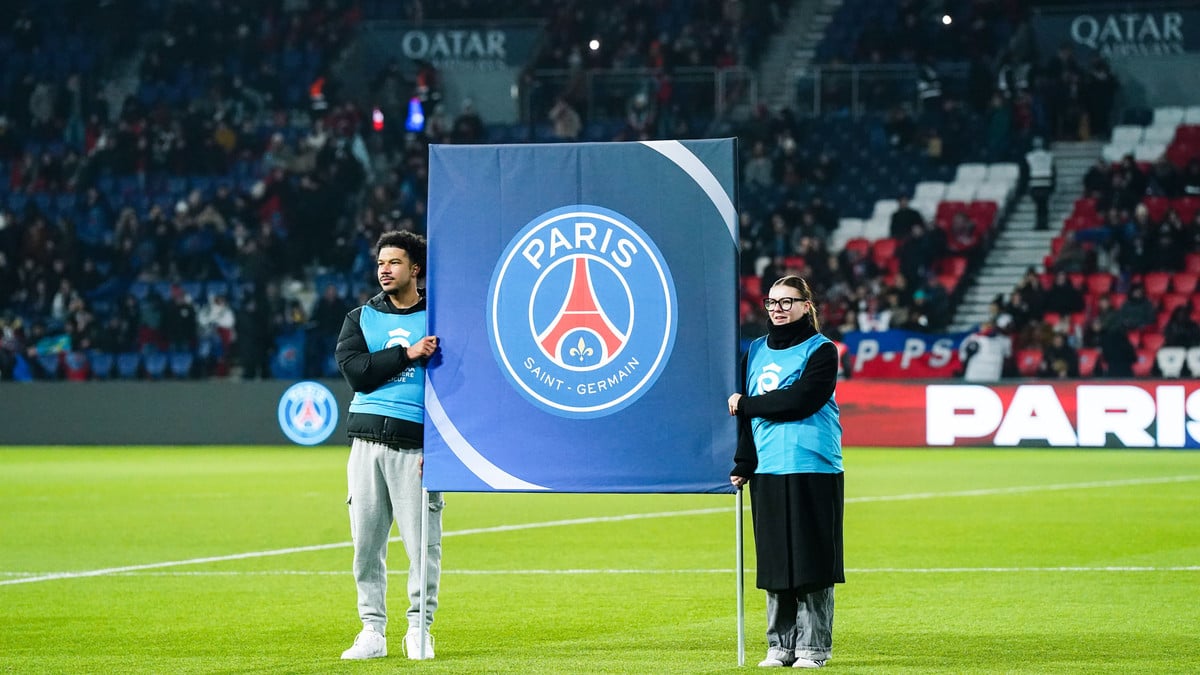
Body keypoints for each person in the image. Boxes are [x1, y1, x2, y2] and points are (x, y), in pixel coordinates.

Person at [336, 230, 443, 661]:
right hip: (365, 444)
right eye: (381, 262)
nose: (385, 269)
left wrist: (440, 451)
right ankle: (372, 631)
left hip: (416, 449)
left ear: (415, 269)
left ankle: (419, 629)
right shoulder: (360, 317)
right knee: (366, 543)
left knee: (422, 545)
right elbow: (356, 372)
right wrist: (407, 354)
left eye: (395, 262)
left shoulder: (440, 317)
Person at [727, 276, 844, 669]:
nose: (778, 309)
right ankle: (780, 647)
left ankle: (813, 649)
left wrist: (748, 404)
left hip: (812, 463)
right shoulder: (755, 350)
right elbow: (741, 418)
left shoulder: (822, 350)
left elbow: (802, 400)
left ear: (806, 305)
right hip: (769, 467)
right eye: (772, 302)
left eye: (787, 301)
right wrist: (744, 462)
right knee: (776, 561)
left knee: (812, 561)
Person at [1026, 137, 1055, 231]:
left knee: (1039, 206)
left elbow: (1027, 172)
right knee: (1044, 205)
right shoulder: (1049, 156)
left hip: (1035, 183)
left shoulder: (1029, 156)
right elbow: (1053, 171)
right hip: (1046, 183)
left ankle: (1039, 224)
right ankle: (1044, 223)